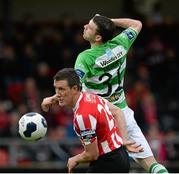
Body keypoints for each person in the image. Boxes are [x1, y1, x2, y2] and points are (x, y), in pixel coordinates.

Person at [74, 14, 168, 173]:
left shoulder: (85, 58)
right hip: (123, 114)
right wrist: (111, 21)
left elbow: (74, 86)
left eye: (89, 26)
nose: (84, 27)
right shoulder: (121, 43)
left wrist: (55, 97)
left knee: (102, 164)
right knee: (152, 165)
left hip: (101, 118)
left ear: (97, 37)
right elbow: (137, 24)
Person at [41, 68, 143, 173]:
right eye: (56, 88)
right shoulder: (91, 97)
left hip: (108, 162)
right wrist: (124, 141)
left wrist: (75, 159)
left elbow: (92, 154)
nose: (58, 93)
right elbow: (118, 112)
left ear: (75, 88)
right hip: (120, 156)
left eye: (62, 89)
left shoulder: (83, 116)